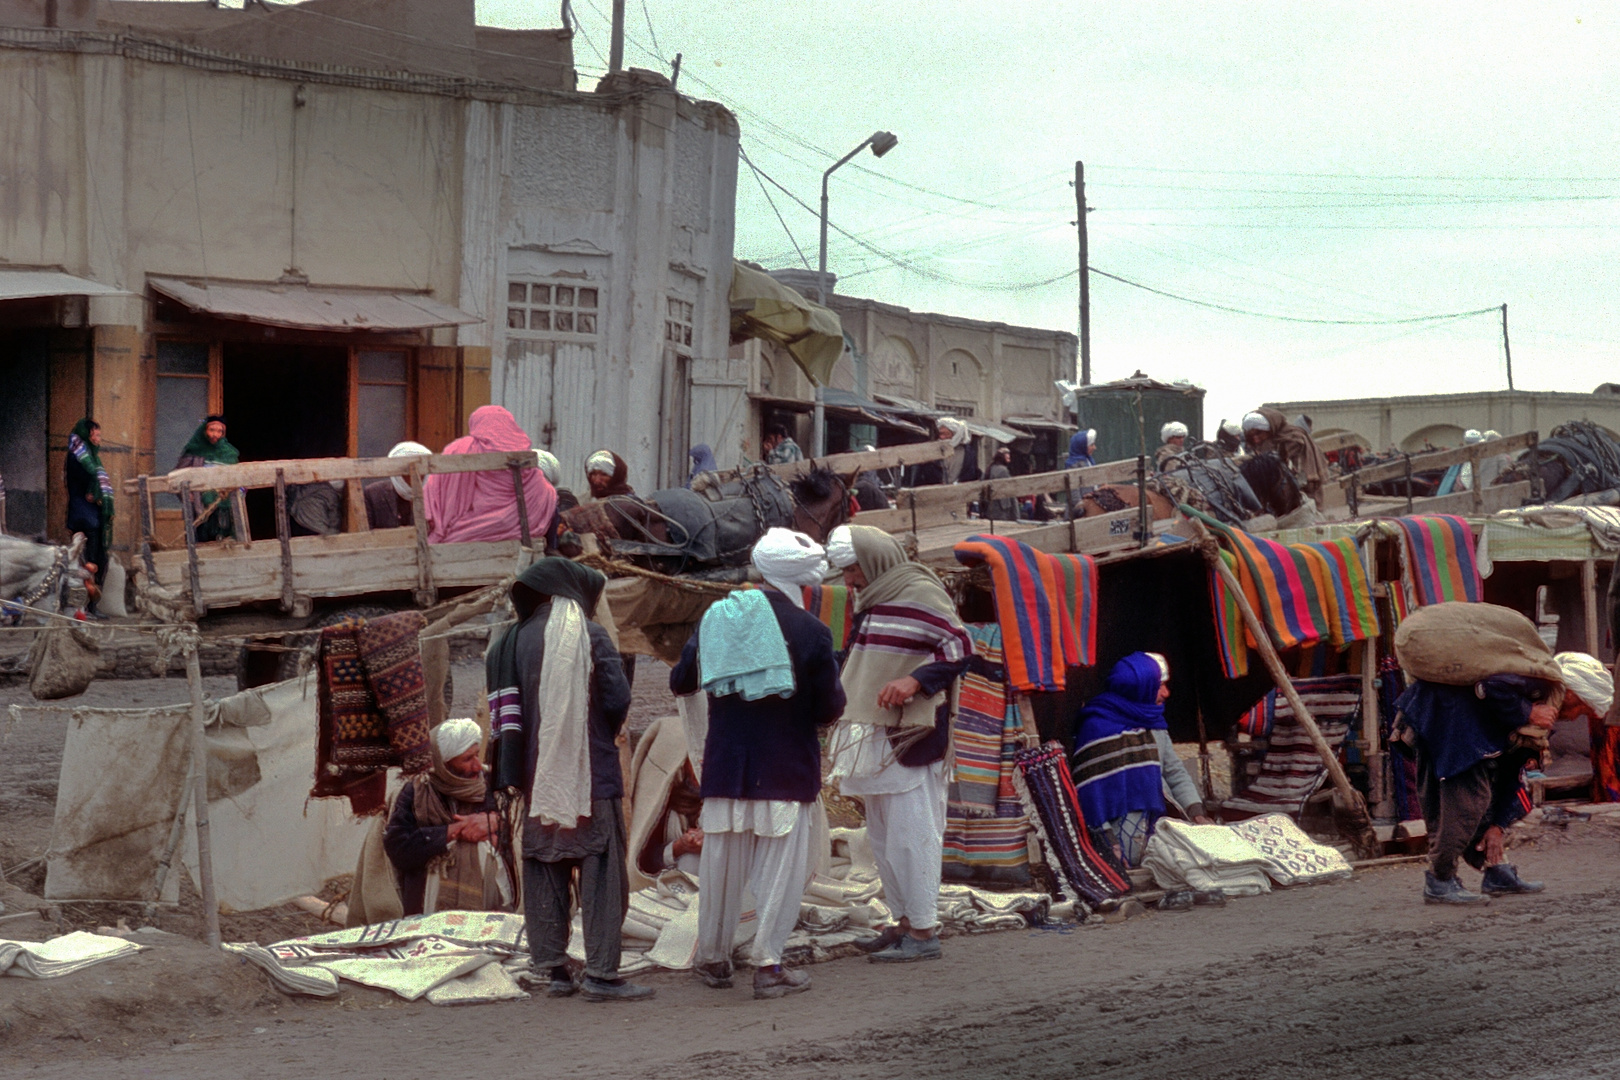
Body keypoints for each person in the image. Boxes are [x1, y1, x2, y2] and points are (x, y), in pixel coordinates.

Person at [670, 528, 845, 999]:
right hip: (786, 768)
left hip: (726, 766)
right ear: (806, 582)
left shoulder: (716, 617)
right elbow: (829, 709)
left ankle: (713, 958)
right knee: (779, 872)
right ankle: (768, 967)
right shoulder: (812, 631)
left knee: (721, 867)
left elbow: (681, 678)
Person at [486, 558, 651, 1002]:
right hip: (590, 776)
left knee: (544, 865)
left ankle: (553, 969)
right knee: (600, 873)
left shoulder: (509, 642)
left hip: (535, 779)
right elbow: (617, 699)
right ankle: (600, 974)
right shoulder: (591, 636)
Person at [825, 525, 971, 963]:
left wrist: (914, 681)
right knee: (885, 837)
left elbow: (959, 644)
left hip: (914, 733)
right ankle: (903, 921)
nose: (849, 580)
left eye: (853, 569)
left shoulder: (920, 591)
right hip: (878, 731)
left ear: (874, 561)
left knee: (915, 835)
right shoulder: (872, 597)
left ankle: (924, 931)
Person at [1393, 673, 1555, 904]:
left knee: (1470, 797)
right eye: (1580, 709)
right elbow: (1489, 686)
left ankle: (1495, 868)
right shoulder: (1537, 685)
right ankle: (1440, 879)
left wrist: (1498, 826)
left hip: (1435, 715)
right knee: (1467, 803)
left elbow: (1509, 774)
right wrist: (1527, 711)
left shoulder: (1534, 691)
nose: (1577, 715)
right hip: (1451, 722)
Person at [1071, 653, 1212, 870]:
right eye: (1160, 686)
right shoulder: (1096, 728)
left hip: (1165, 824)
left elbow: (1174, 772)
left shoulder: (1153, 721)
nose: (1166, 693)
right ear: (1139, 687)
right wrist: (1109, 843)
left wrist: (1197, 814)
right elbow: (1090, 795)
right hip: (1122, 840)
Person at [381, 717, 510, 916]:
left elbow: (517, 833)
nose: (477, 766)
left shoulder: (492, 786)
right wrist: (451, 832)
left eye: (477, 755)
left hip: (488, 906)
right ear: (444, 764)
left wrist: (495, 823)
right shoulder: (417, 792)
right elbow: (398, 848)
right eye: (467, 759)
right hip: (424, 903)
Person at [423, 406, 556, 545]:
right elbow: (545, 499)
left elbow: (435, 494)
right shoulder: (525, 459)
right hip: (521, 541)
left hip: (462, 537)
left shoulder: (462, 449)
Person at [626, 716, 705, 888]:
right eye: (696, 757)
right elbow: (644, 861)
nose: (703, 764)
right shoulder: (665, 801)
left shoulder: (729, 801)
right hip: (672, 886)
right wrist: (680, 846)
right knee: (689, 862)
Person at [64, 418, 113, 617]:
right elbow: (89, 482)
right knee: (88, 563)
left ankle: (92, 606)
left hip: (92, 515)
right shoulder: (78, 457)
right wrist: (95, 492)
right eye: (96, 434)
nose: (99, 439)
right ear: (87, 435)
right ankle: (83, 607)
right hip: (83, 516)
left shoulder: (90, 456)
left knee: (99, 559)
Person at [1241, 408, 1330, 503]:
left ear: (1269, 429)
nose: (1256, 440)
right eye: (1252, 436)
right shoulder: (1265, 443)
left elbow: (1301, 472)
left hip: (1303, 490)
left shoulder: (1293, 438)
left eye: (1258, 433)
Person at [175, 416, 240, 542]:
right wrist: (187, 495)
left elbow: (240, 479)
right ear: (204, 431)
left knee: (225, 543)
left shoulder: (229, 453)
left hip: (225, 508)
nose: (215, 434)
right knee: (201, 543)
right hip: (201, 508)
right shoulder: (194, 452)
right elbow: (176, 477)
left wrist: (238, 492)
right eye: (211, 430)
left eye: (219, 431)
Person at [364, 441, 432, 529]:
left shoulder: (435, 496)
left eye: (421, 469)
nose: (415, 475)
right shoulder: (374, 494)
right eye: (407, 470)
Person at [984, 446, 1018, 521]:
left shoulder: (991, 468)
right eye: (1006, 454)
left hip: (991, 505)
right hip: (1002, 506)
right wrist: (1016, 514)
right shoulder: (1003, 470)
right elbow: (1010, 491)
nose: (1009, 456)